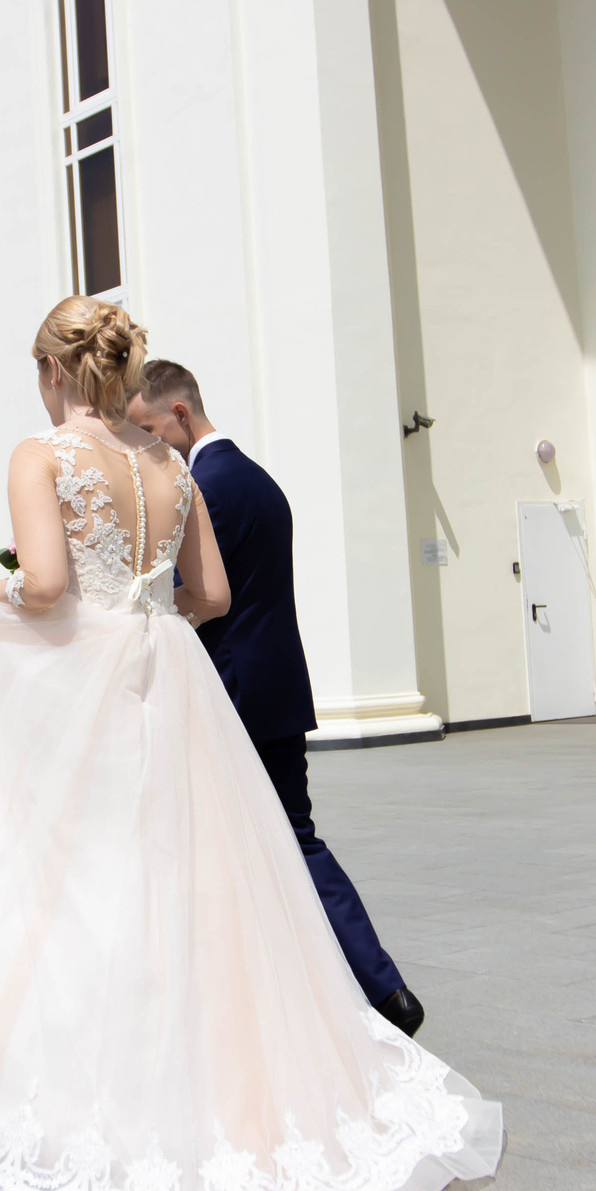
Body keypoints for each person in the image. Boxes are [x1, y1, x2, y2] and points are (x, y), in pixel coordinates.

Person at [0, 297, 499, 1191]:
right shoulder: (168, 465)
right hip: (172, 683)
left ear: (57, 373)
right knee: (186, 884)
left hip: (90, 691)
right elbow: (214, 595)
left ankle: (81, 1094)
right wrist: (147, 620)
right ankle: (215, 1081)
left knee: (68, 881)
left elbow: (44, 587)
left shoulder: (44, 455)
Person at [128, 361, 426, 1039]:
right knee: (294, 840)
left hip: (234, 694)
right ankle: (381, 988)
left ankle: (262, 1004)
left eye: (148, 428)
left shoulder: (208, 487)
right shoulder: (258, 478)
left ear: (178, 412)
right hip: (277, 688)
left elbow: (189, 593)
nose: (147, 444)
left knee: (224, 845)